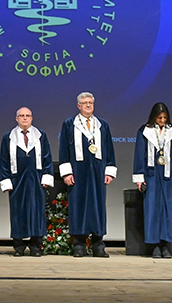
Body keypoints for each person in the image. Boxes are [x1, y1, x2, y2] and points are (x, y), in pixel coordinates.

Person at [59, 91, 117, 258]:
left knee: (98, 206)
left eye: (90, 103)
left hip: (98, 171)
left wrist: (109, 170)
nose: (88, 105)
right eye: (85, 103)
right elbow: (64, 149)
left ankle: (98, 244)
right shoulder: (69, 124)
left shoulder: (102, 124)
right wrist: (67, 172)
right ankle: (79, 244)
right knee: (78, 205)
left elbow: (109, 148)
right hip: (78, 171)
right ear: (78, 106)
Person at [0, 107, 54, 257]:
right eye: (21, 116)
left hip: (36, 178)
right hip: (17, 179)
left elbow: (47, 158)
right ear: (16, 119)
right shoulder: (9, 137)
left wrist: (46, 176)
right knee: (18, 211)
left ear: (31, 118)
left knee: (37, 211)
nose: (24, 118)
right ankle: (19, 246)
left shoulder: (40, 135)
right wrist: (6, 180)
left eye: (27, 116)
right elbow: (4, 160)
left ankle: (35, 246)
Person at [132, 102, 172, 259]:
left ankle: (165, 245)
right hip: (151, 175)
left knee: (167, 210)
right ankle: (154, 246)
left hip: (167, 176)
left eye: (165, 118)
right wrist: (139, 177)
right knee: (152, 210)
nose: (162, 120)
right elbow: (139, 154)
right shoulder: (144, 131)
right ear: (154, 117)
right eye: (159, 118)